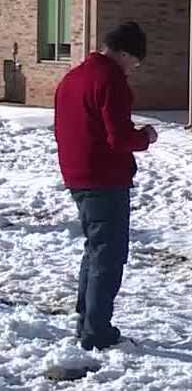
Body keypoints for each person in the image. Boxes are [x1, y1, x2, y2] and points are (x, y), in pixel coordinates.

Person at [54, 21, 158, 351]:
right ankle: (97, 331)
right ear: (124, 53)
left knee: (95, 249)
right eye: (134, 61)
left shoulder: (73, 78)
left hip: (77, 174)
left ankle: (86, 321)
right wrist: (145, 137)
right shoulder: (110, 80)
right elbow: (119, 137)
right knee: (109, 256)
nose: (133, 68)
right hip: (104, 178)